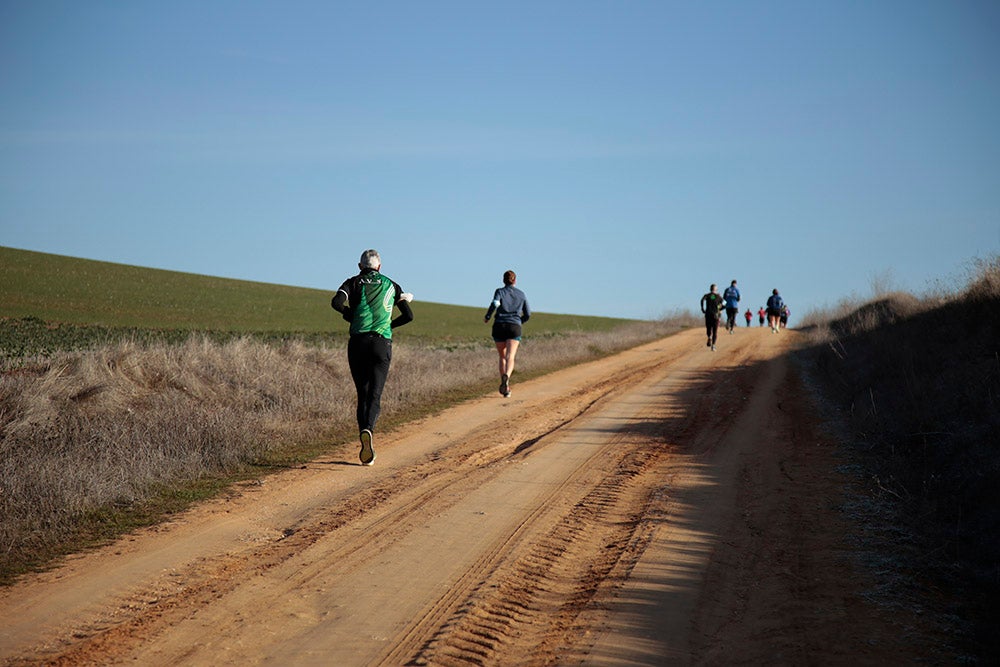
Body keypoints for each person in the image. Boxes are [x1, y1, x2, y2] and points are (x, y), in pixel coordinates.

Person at [331, 249, 413, 465]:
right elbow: (409, 316)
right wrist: (389, 325)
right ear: (379, 266)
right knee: (375, 395)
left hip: (357, 342)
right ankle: (369, 430)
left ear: (360, 266)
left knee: (362, 393)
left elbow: (336, 303)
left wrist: (350, 315)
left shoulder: (353, 282)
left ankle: (363, 442)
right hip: (381, 343)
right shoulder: (392, 284)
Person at [484, 270, 530, 398]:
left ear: (503, 280)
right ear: (515, 280)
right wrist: (520, 321)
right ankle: (507, 377)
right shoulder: (521, 294)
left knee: (502, 356)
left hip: (499, 325)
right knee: (510, 356)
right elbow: (528, 314)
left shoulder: (499, 291)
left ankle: (505, 387)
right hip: (514, 326)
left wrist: (488, 316)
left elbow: (495, 303)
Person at [700, 284, 724, 351]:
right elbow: (725, 303)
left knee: (708, 328)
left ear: (710, 289)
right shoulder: (718, 296)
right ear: (716, 289)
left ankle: (709, 337)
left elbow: (702, 300)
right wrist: (720, 308)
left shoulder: (707, 295)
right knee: (715, 331)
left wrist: (702, 308)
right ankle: (713, 346)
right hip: (715, 315)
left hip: (708, 314)